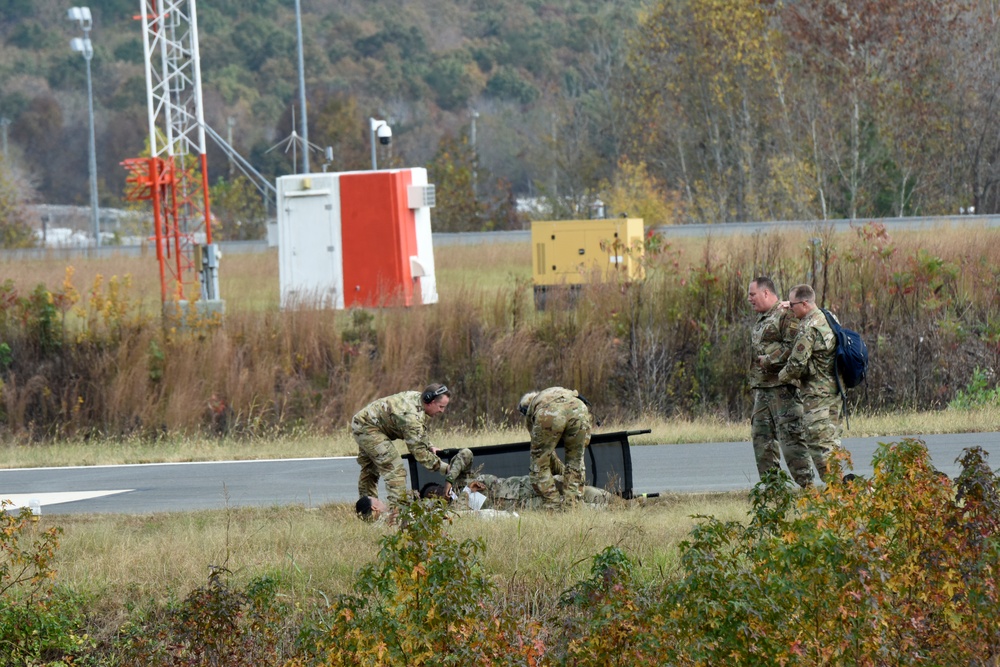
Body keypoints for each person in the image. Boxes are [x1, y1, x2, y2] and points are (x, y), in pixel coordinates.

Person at [747, 276, 813, 487]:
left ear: (766, 293)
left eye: (752, 294)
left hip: (783, 390)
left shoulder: (785, 314)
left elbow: (793, 347)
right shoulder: (764, 318)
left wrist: (769, 360)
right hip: (763, 390)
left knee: (791, 443)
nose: (749, 299)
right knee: (762, 442)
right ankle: (773, 491)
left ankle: (808, 489)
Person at [351, 383, 456, 509]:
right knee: (395, 470)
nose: (442, 411)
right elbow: (419, 453)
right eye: (441, 407)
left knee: (369, 471)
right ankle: (398, 515)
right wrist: (446, 468)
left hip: (363, 422)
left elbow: (418, 432)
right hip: (368, 429)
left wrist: (429, 446)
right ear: (430, 402)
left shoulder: (418, 399)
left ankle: (367, 513)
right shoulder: (411, 417)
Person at [778, 285, 843, 480]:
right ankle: (841, 492)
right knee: (831, 444)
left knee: (818, 445)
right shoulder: (828, 316)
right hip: (835, 391)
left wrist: (779, 377)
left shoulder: (808, 327)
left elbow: (796, 364)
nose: (790, 309)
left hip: (817, 397)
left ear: (804, 304)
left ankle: (836, 493)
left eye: (792, 305)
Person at [518, 387, 593, 509]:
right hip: (578, 408)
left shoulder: (534, 409)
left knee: (539, 466)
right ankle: (572, 506)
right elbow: (585, 442)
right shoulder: (556, 393)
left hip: (550, 413)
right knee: (576, 461)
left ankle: (553, 505)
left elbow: (543, 456)